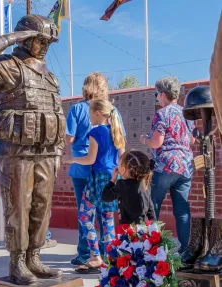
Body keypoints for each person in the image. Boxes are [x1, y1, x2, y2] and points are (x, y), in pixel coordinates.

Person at [0, 14, 64, 285]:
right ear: (26, 39)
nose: (44, 45)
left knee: (41, 208)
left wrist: (58, 151)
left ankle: (34, 257)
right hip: (17, 152)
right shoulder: (9, 67)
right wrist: (12, 38)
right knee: (19, 206)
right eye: (39, 40)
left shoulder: (49, 77)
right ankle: (17, 261)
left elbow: (56, 114)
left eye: (47, 41)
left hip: (47, 152)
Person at [66, 72, 126, 266]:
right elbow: (121, 145)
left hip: (84, 169)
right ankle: (108, 255)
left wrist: (70, 157)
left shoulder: (77, 109)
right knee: (106, 216)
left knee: (85, 213)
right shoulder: (113, 112)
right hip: (109, 173)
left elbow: (70, 138)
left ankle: (87, 254)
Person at [139, 76, 195, 253]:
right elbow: (192, 140)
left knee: (153, 205)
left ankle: (153, 248)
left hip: (165, 166)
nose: (156, 97)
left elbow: (156, 142)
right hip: (185, 166)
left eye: (156, 94)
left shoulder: (162, 114)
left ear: (163, 94)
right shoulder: (186, 113)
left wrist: (144, 140)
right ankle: (185, 250)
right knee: (182, 210)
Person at [102, 150, 156, 224]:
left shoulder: (122, 185)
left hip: (128, 230)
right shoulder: (145, 184)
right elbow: (150, 207)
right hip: (143, 228)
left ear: (123, 169)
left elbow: (106, 196)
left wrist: (112, 180)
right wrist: (154, 224)